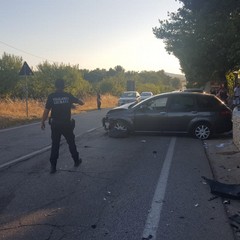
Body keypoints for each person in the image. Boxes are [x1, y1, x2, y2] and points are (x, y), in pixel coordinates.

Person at [41, 79, 84, 174]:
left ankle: (53, 167)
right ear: (63, 86)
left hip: (55, 125)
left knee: (55, 145)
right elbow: (81, 103)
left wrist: (43, 121)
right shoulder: (68, 96)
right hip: (67, 125)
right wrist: (76, 101)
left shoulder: (51, 96)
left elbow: (46, 110)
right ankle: (76, 161)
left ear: (55, 86)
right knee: (71, 143)